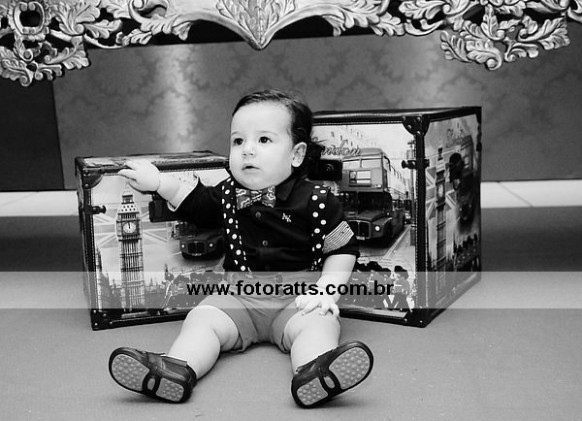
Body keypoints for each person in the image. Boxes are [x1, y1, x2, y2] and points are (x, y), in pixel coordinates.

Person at [109, 89, 374, 408]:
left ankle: (315, 371)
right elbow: (195, 204)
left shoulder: (318, 200)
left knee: (319, 323)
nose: (247, 150)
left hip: (297, 298)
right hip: (238, 297)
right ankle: (176, 368)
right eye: (238, 141)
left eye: (263, 140)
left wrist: (327, 290)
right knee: (202, 318)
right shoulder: (227, 194)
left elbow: (342, 248)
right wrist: (158, 183)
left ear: (297, 154)